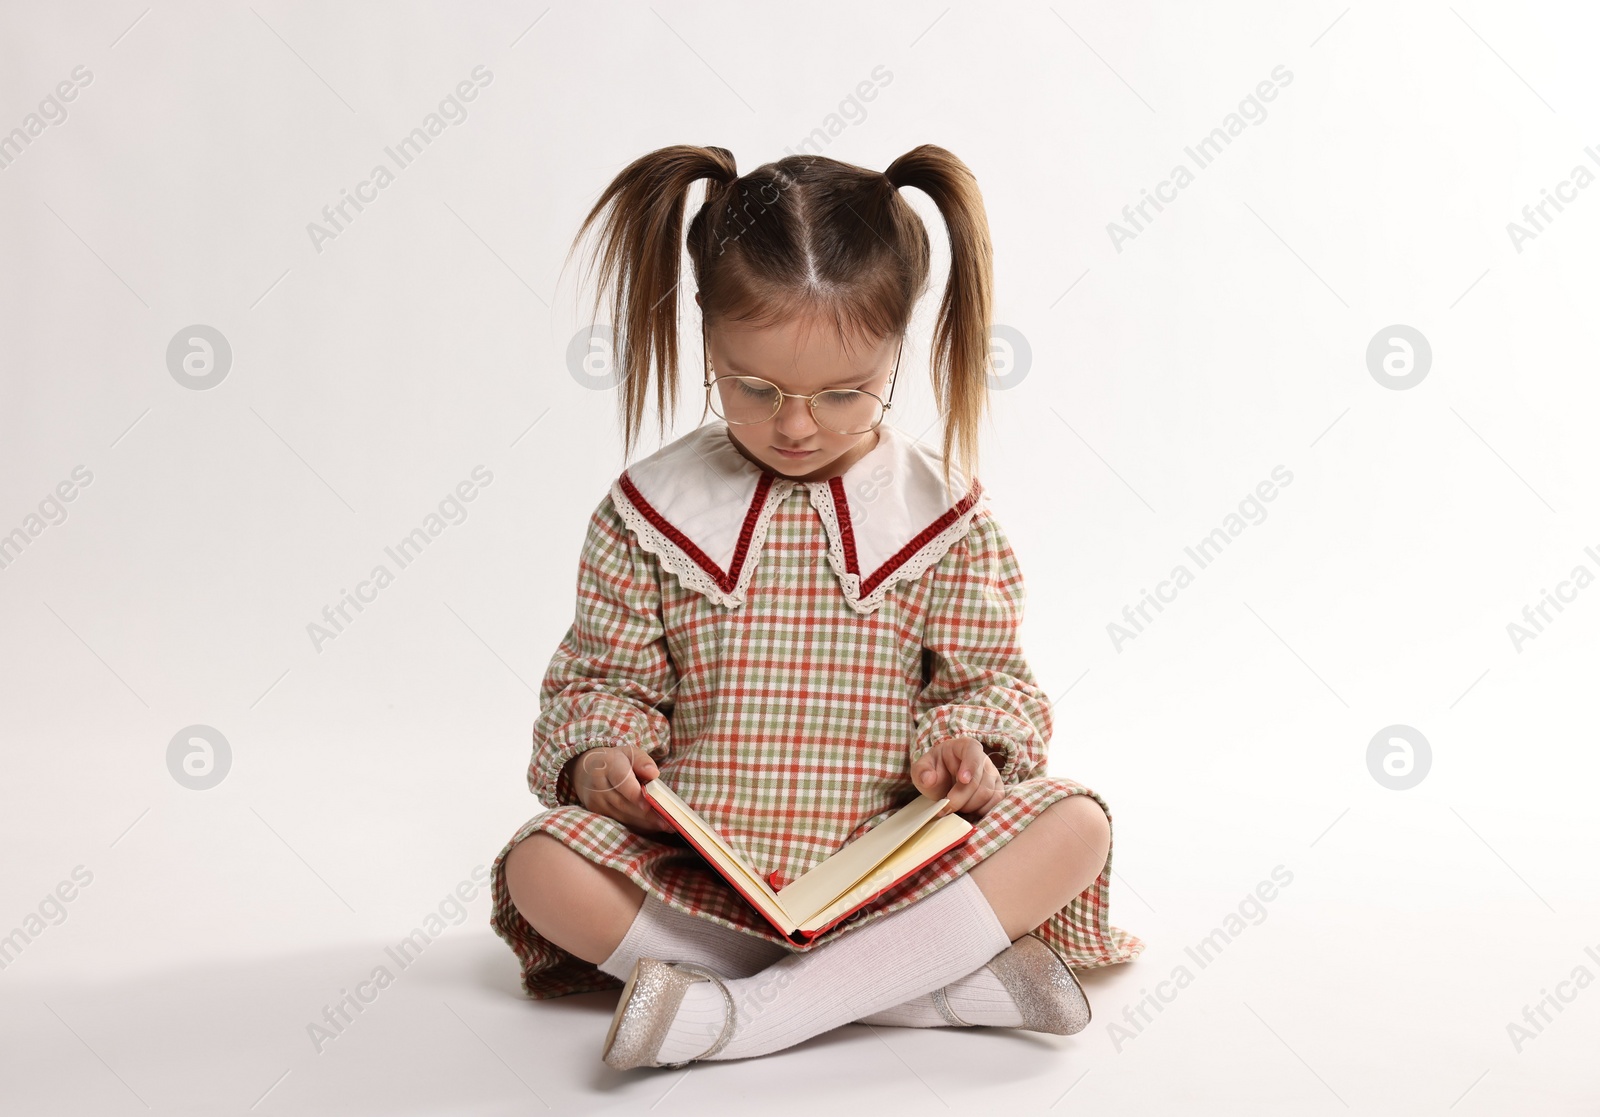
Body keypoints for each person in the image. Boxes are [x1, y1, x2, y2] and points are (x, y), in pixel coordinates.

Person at [490, 143, 1144, 1068]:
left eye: (843, 393)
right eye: (753, 387)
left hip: (899, 868)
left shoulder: (943, 515)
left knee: (1075, 824)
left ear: (897, 350)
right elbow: (604, 678)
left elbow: (988, 681)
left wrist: (970, 752)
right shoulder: (648, 512)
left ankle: (737, 1013)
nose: (795, 425)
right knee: (540, 865)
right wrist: (601, 754)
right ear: (707, 341)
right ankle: (915, 991)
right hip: (709, 871)